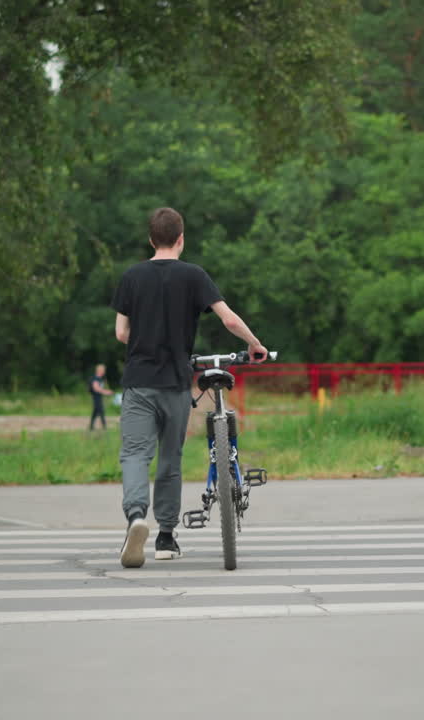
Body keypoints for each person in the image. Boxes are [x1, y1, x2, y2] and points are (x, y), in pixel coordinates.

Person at [112, 207, 268, 568]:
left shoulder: (132, 277)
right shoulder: (194, 276)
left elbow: (121, 333)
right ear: (181, 238)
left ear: (151, 239)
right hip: (176, 384)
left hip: (139, 382)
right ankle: (166, 537)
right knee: (170, 458)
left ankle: (137, 517)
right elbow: (228, 318)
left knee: (135, 454)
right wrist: (254, 343)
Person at [88, 364, 115, 430]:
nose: (104, 372)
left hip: (99, 397)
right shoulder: (95, 378)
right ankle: (104, 427)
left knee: (95, 412)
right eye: (103, 370)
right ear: (100, 370)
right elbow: (96, 388)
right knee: (101, 411)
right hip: (96, 397)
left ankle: (91, 427)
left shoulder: (101, 379)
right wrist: (106, 392)